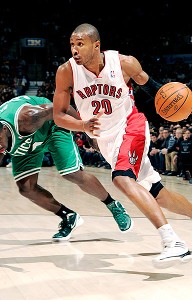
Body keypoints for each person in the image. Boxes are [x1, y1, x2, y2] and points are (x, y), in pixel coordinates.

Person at [52, 23, 192, 269]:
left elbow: (156, 90)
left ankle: (174, 243)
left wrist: (184, 106)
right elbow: (58, 115)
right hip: (106, 141)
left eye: (80, 44)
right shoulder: (66, 72)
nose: (74, 50)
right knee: (158, 195)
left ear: (95, 45)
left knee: (121, 179)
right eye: (72, 44)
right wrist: (82, 126)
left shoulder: (124, 63)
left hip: (131, 126)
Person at [0, 95, 133, 242]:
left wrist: (85, 130)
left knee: (71, 173)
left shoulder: (28, 117)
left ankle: (113, 205)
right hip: (27, 145)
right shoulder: (2, 142)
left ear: (4, 129)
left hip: (52, 127)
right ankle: (69, 216)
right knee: (26, 188)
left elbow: (63, 108)